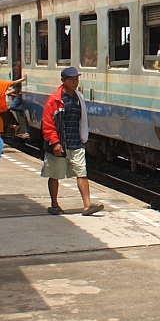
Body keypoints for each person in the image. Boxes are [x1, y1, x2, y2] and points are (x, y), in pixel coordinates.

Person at [41, 67, 103, 216]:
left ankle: (87, 205)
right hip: (59, 144)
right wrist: (55, 142)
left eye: (76, 79)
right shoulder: (55, 100)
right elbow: (48, 123)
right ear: (63, 81)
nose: (75, 82)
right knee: (55, 174)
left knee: (82, 172)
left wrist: (83, 138)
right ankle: (54, 204)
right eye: (71, 79)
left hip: (75, 142)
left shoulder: (78, 97)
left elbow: (82, 119)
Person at [7, 61, 29, 139]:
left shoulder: (20, 76)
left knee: (13, 106)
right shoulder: (17, 76)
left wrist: (7, 93)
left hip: (20, 95)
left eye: (16, 69)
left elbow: (15, 88)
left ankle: (23, 109)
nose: (15, 71)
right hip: (20, 95)